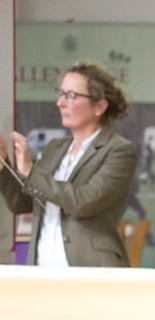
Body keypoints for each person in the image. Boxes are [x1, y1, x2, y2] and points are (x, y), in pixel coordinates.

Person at [0, 61, 138, 267]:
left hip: (91, 270)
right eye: (61, 94)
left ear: (100, 106)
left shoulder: (119, 150)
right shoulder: (55, 148)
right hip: (42, 268)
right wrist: (4, 164)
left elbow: (84, 202)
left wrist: (30, 172)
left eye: (71, 96)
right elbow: (22, 203)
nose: (60, 103)